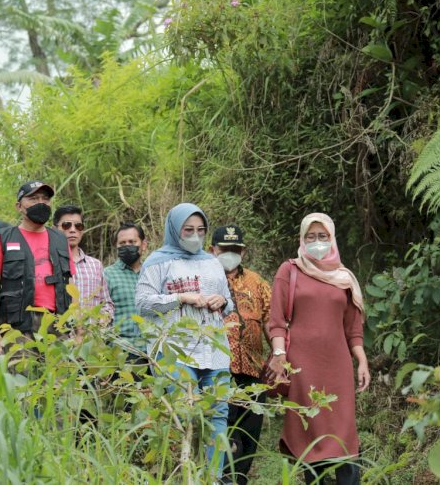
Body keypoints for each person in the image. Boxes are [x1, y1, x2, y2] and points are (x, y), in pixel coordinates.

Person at [266, 213, 370, 485]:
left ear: (332, 238)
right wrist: (279, 356)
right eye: (310, 237)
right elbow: (276, 322)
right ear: (301, 239)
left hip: (338, 369)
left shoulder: (344, 278)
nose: (316, 242)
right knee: (309, 432)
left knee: (344, 434)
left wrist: (362, 361)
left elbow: (353, 329)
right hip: (302, 368)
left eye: (322, 236)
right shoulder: (289, 271)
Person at [135, 202, 234, 477]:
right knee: (184, 418)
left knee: (217, 418)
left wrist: (222, 300)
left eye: (200, 230)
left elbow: (229, 305)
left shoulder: (212, 262)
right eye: (188, 230)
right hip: (175, 352)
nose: (195, 236)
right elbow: (142, 304)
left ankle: (212, 478)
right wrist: (180, 298)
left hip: (214, 351)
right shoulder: (158, 261)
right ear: (174, 230)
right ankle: (185, 475)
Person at [0, 181, 74, 356]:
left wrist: (79, 326)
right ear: (19, 206)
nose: (41, 203)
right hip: (17, 328)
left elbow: (71, 286)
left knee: (60, 382)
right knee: (22, 382)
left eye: (45, 199)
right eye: (33, 198)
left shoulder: (61, 240)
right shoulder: (3, 239)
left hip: (58, 325)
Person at [210, 225, 272, 485]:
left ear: (243, 251)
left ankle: (240, 479)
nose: (230, 253)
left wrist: (279, 355)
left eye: (235, 249)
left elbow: (271, 320)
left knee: (248, 435)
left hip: (253, 372)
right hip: (216, 372)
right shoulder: (204, 279)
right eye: (224, 248)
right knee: (222, 432)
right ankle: (219, 479)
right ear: (213, 250)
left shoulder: (257, 282)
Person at [54, 205, 114, 324]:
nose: (72, 230)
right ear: (54, 229)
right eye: (66, 225)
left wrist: (101, 322)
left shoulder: (95, 265)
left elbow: (107, 304)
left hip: (91, 338)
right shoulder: (48, 263)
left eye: (78, 226)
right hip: (59, 339)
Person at [103, 222, 149, 355]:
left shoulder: (152, 274)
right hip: (122, 352)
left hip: (153, 351)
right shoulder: (107, 275)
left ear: (143, 245)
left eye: (132, 242)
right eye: (122, 243)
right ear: (116, 247)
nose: (127, 246)